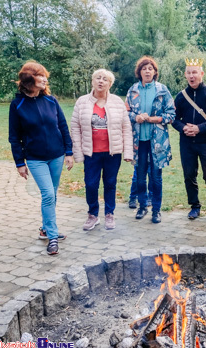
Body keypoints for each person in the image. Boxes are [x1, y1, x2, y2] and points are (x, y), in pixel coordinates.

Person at [8, 61, 73, 255]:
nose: (45, 79)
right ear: (29, 80)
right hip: (36, 159)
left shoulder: (51, 101)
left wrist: (68, 152)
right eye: (40, 76)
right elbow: (14, 136)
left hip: (56, 155)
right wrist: (20, 162)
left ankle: (45, 229)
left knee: (52, 194)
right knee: (48, 194)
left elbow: (63, 127)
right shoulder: (17, 105)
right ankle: (53, 237)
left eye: (45, 76)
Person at [71, 69, 133, 231]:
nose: (100, 81)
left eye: (105, 79)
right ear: (92, 81)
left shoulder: (117, 102)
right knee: (91, 184)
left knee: (110, 183)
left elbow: (126, 127)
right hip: (91, 153)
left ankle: (109, 214)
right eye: (98, 78)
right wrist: (77, 151)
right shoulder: (82, 102)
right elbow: (75, 127)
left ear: (110, 84)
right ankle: (92, 215)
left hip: (112, 153)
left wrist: (128, 152)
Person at [172, 58, 206, 221]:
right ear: (185, 75)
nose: (192, 76)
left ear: (201, 74)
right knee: (189, 175)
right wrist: (183, 128)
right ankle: (194, 206)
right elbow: (173, 118)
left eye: (195, 72)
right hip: (187, 143)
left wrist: (199, 128)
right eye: (189, 73)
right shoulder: (181, 96)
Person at [126, 56, 175, 223]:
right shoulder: (133, 90)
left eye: (150, 68)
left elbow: (171, 115)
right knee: (139, 177)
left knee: (156, 178)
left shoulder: (162, 90)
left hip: (158, 142)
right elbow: (126, 112)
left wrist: (154, 119)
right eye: (144, 68)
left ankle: (156, 210)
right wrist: (136, 117)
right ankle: (141, 207)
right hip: (139, 141)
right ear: (139, 72)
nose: (147, 71)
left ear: (155, 72)